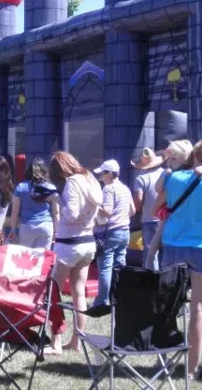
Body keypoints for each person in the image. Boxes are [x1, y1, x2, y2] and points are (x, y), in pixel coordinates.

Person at [148, 137, 202, 381]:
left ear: (193, 155)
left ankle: (163, 361)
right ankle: (192, 369)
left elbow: (155, 211)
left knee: (168, 306)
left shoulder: (173, 179)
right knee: (199, 310)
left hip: (173, 246)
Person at [45, 151, 103, 354]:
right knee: (79, 294)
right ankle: (76, 342)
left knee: (54, 293)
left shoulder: (71, 183)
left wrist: (57, 199)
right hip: (88, 242)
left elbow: (72, 214)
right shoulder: (91, 179)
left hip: (68, 244)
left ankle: (56, 343)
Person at [93, 159, 135, 307]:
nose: (101, 177)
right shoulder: (125, 188)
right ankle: (120, 298)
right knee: (120, 266)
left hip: (111, 232)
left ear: (110, 174)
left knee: (105, 266)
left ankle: (102, 300)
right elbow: (133, 210)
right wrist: (121, 218)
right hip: (125, 230)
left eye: (103, 174)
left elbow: (108, 212)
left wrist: (95, 206)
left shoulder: (108, 189)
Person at [9, 158, 58, 249]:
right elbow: (56, 212)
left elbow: (15, 211)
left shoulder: (21, 187)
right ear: (44, 170)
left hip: (27, 226)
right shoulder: (51, 187)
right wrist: (56, 231)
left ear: (29, 171)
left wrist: (13, 229)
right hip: (46, 226)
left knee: (26, 258)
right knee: (42, 258)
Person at [132, 148, 165, 269]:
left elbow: (138, 199)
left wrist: (137, 207)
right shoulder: (166, 174)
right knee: (165, 251)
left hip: (149, 219)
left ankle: (151, 280)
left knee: (151, 252)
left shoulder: (141, 179)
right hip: (166, 218)